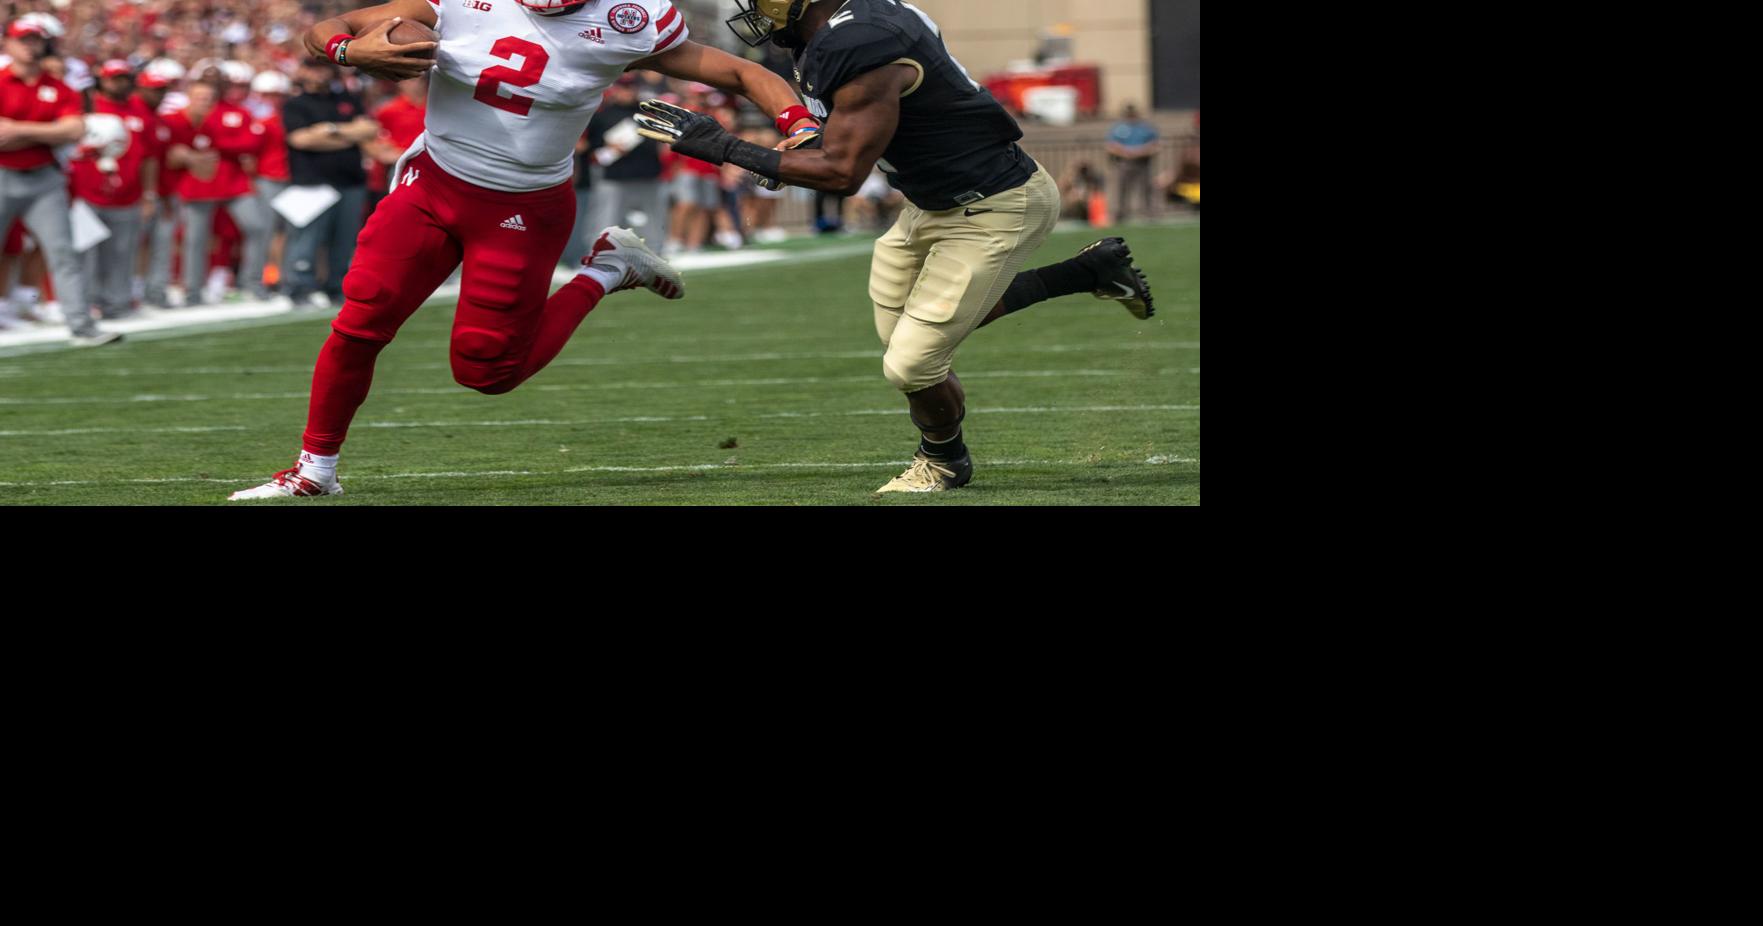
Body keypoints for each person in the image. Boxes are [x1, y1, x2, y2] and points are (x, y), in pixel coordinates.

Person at [229, 0, 814, 500]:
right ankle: (315, 471)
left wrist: (798, 121)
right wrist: (346, 52)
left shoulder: (625, 18)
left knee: (487, 369)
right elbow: (327, 29)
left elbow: (738, 73)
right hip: (434, 184)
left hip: (523, 207)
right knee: (362, 318)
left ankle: (608, 269)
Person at [637, 0, 1155, 495]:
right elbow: (845, 135)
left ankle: (943, 461)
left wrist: (724, 146)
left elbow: (842, 172)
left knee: (912, 364)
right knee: (910, 338)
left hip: (995, 205)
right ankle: (1090, 271)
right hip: (930, 204)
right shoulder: (833, 30)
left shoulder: (863, 41)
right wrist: (795, 150)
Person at [0, 17, 117, 345]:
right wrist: (46, 133)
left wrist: (19, 130)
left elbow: (74, 129)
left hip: (43, 178)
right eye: (22, 39)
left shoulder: (59, 88)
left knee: (63, 252)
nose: (29, 45)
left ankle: (81, 325)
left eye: (35, 39)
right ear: (7, 43)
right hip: (3, 173)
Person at [162, 75, 273, 305]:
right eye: (200, 97)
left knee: (257, 227)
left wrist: (219, 145)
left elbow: (252, 143)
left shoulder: (231, 113)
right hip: (199, 183)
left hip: (233, 181)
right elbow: (171, 152)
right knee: (195, 238)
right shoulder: (178, 119)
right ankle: (193, 290)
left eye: (208, 97)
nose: (205, 101)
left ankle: (252, 282)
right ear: (189, 98)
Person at [280, 59, 374, 309]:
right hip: (313, 181)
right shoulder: (296, 104)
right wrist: (348, 135)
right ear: (303, 71)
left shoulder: (347, 98)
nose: (319, 74)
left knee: (344, 240)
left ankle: (336, 287)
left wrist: (328, 131)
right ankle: (299, 287)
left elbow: (369, 130)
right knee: (307, 239)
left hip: (350, 179)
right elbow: (301, 140)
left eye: (323, 68)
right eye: (313, 68)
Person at [70, 60, 159, 320]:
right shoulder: (86, 106)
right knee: (84, 255)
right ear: (102, 79)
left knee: (122, 254)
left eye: (123, 78)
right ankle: (83, 305)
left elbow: (150, 157)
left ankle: (117, 304)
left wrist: (149, 194)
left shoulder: (140, 111)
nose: (118, 83)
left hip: (128, 194)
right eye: (113, 78)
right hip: (87, 192)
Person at [1106, 103, 1158, 222]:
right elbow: (1111, 146)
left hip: (1142, 162)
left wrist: (1139, 151)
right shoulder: (1118, 128)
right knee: (1121, 189)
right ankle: (1120, 213)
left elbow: (1155, 145)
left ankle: (1149, 212)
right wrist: (1125, 152)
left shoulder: (1146, 128)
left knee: (1146, 189)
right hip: (1124, 163)